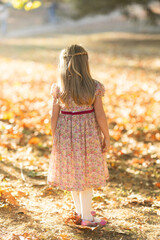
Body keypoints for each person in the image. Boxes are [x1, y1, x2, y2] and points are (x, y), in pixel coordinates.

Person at [47, 44, 110, 227]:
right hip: (88, 135)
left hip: (65, 135)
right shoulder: (94, 87)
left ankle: (81, 212)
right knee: (87, 175)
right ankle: (87, 219)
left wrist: (55, 138)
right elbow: (100, 115)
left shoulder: (59, 88)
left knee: (74, 175)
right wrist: (106, 136)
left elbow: (53, 116)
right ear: (85, 63)